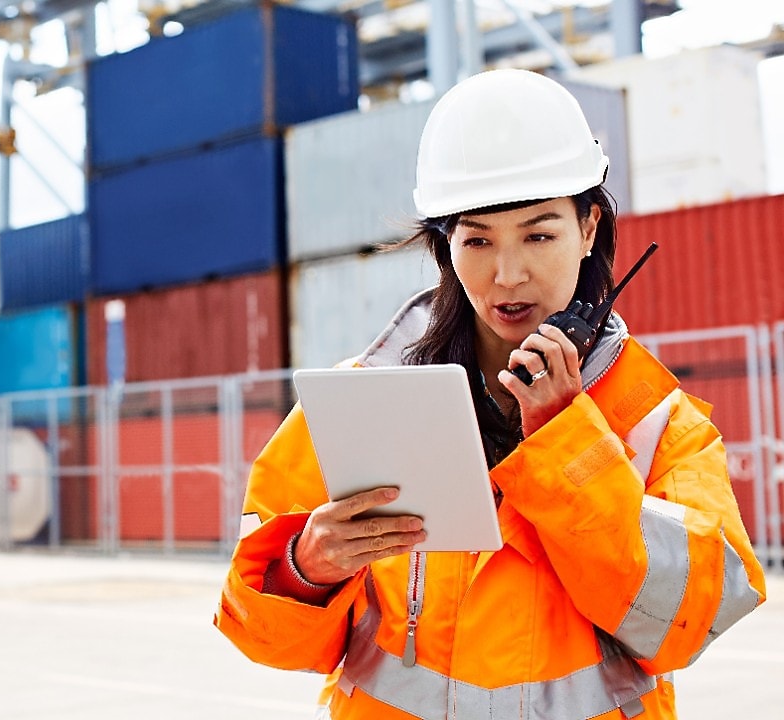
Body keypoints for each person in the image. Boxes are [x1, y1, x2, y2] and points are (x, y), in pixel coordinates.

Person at [215, 68, 766, 719]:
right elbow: (260, 633)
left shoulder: (655, 425)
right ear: (446, 248)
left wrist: (568, 441)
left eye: (539, 234)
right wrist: (305, 569)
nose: (508, 275)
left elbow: (692, 620)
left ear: (589, 229)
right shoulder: (362, 401)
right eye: (477, 239)